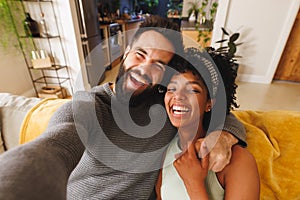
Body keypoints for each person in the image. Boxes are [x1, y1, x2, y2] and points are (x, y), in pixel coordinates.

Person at [0, 16, 246, 200]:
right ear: (125, 53)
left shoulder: (166, 102)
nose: (144, 69)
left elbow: (213, 108)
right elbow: (55, 147)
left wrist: (224, 135)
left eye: (158, 65)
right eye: (140, 54)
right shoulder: (88, 107)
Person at [156, 47, 260, 199]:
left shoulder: (239, 161)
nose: (178, 96)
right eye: (172, 88)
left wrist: (194, 183)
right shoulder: (165, 150)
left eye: (192, 90)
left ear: (209, 103)